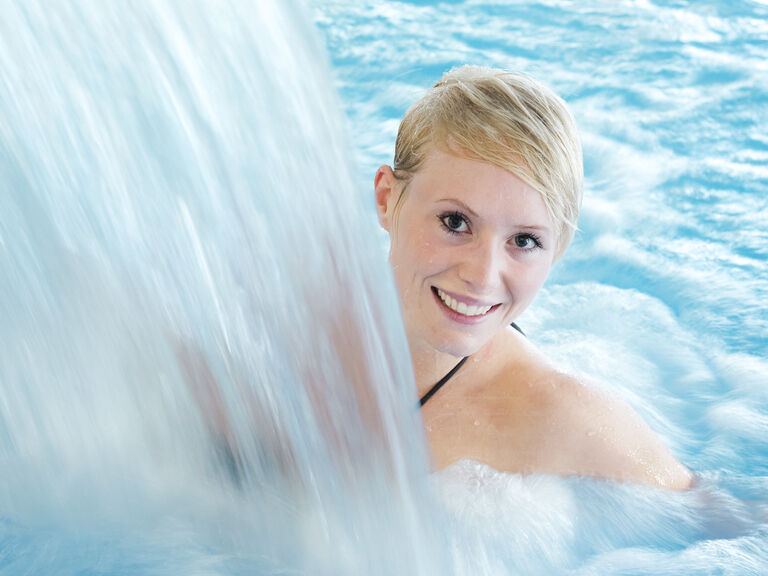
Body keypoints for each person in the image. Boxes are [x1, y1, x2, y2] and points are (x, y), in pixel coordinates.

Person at [373, 65, 692, 490]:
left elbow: (717, 520)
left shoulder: (566, 422)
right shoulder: (297, 335)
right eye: (455, 222)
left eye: (524, 241)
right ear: (386, 199)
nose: (483, 276)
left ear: (556, 250)